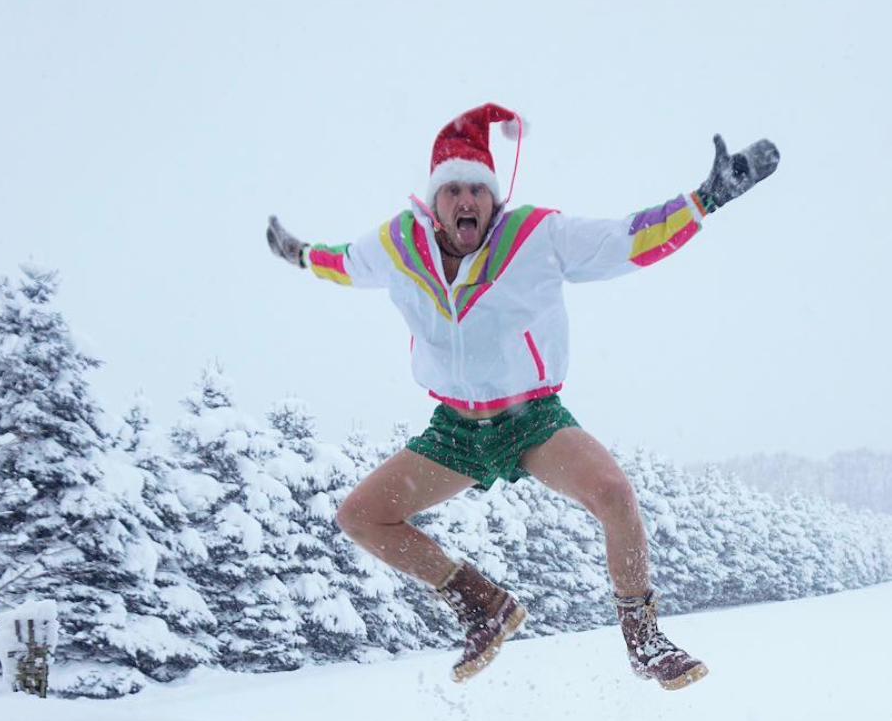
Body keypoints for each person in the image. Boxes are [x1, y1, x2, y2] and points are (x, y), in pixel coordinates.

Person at [266, 101, 779, 689]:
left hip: (532, 421)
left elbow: (626, 240)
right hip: (454, 431)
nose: (466, 202)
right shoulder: (398, 245)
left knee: (613, 492)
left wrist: (703, 200)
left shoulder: (537, 236)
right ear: (432, 203)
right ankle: (482, 604)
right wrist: (301, 255)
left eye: (477, 191)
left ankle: (644, 639)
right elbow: (347, 263)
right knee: (359, 516)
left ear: (494, 199)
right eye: (452, 190)